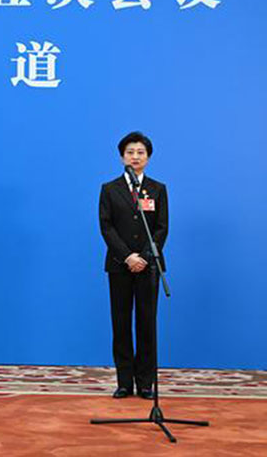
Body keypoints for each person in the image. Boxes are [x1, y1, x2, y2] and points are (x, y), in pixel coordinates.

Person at [99, 131, 168, 400]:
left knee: (147, 324)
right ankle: (124, 382)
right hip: (120, 265)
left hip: (149, 268)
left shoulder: (158, 189)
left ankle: (146, 383)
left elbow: (161, 228)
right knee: (121, 323)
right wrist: (128, 256)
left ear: (148, 157)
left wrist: (145, 257)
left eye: (140, 152)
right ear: (121, 157)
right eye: (130, 152)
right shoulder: (110, 189)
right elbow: (106, 227)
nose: (135, 157)